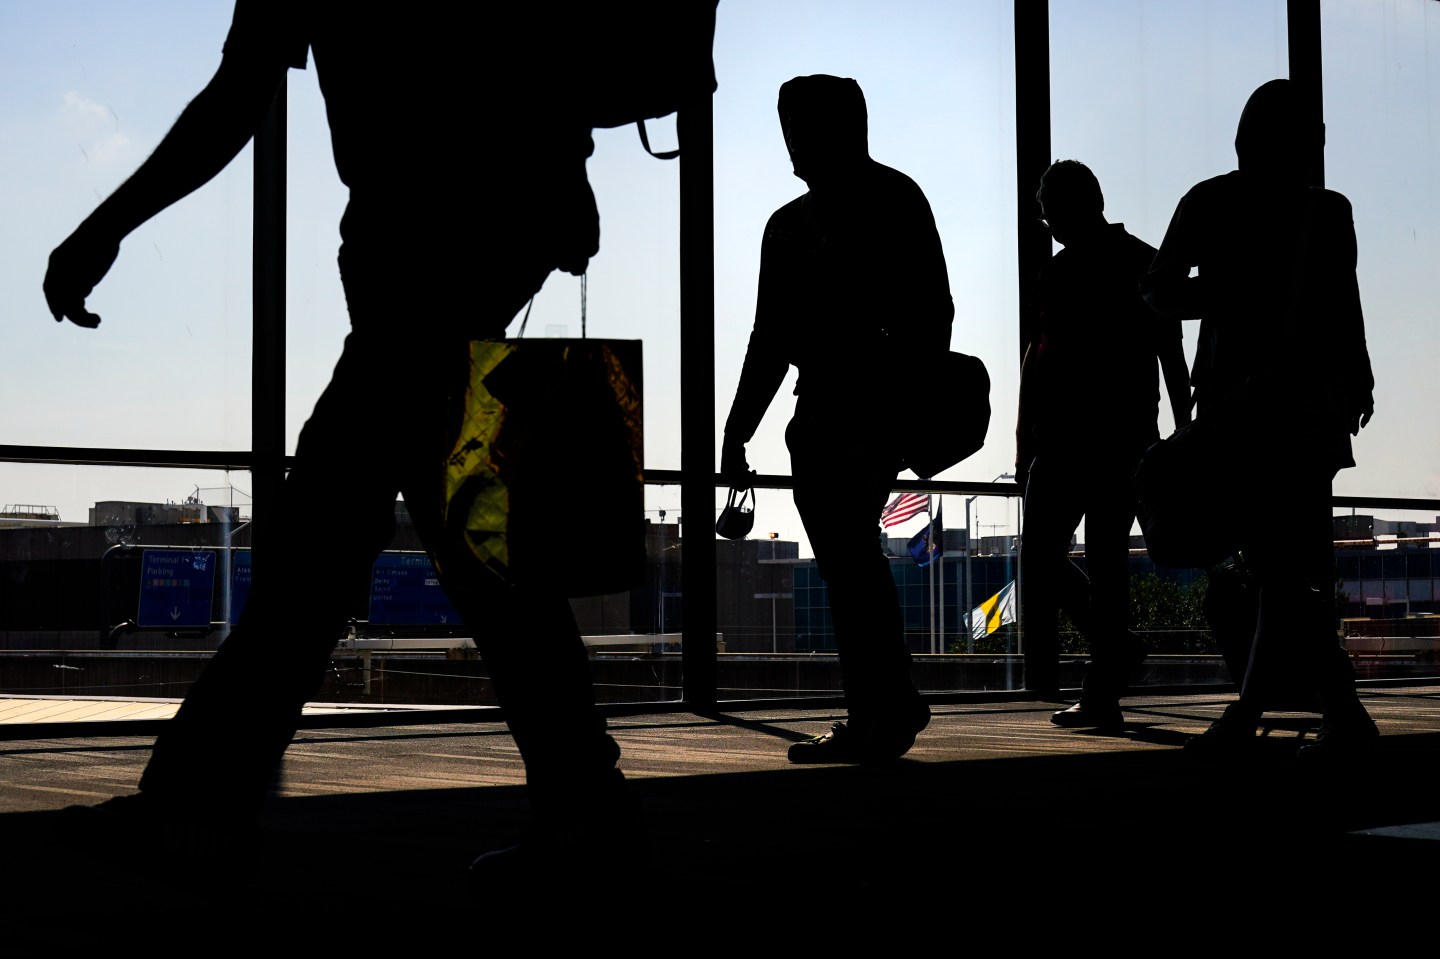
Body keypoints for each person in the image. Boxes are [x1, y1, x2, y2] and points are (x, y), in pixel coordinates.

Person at [43, 2, 715, 881]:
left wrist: (110, 222)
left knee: (325, 543)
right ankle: (589, 812)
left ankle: (194, 807)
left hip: (419, 256)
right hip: (472, 239)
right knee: (464, 550)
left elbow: (236, 99)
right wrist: (559, 170)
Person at [1140, 78, 1378, 758]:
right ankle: (1298, 707)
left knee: (1277, 564)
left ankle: (1286, 708)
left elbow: (1157, 290)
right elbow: (1345, 307)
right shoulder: (1327, 212)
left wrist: (1216, 294)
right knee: (1287, 566)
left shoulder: (1210, 200)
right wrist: (1357, 379)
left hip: (1240, 409)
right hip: (1305, 410)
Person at [720, 74, 952, 764]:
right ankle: (882, 703)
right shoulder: (896, 200)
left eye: (796, 125)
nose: (789, 140)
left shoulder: (790, 227)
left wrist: (737, 429)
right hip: (859, 414)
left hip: (830, 414)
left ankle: (881, 706)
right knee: (853, 564)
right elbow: (934, 314)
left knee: (848, 565)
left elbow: (771, 341)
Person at [1016, 160, 1192, 730]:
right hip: (1122, 434)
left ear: (1065, 207)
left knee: (1043, 559)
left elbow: (1038, 360)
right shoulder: (1139, 260)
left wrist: (1025, 439)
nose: (1046, 224)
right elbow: (1170, 350)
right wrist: (1182, 425)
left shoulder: (1059, 272)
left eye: (1047, 213)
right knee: (1106, 560)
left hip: (1068, 437)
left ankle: (1109, 661)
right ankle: (1106, 672)